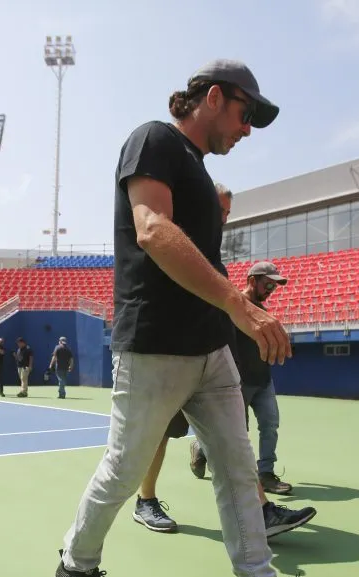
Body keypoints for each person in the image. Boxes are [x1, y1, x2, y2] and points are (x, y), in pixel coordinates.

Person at [53, 59, 351, 577]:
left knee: (239, 471)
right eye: (245, 116)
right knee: (123, 468)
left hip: (209, 349)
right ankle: (76, 566)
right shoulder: (153, 140)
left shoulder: (203, 177)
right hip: (154, 347)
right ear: (212, 98)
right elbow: (152, 230)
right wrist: (242, 307)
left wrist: (237, 307)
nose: (247, 131)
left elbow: (203, 263)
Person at [132, 183, 314, 536]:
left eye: (228, 213)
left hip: (207, 361)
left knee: (234, 435)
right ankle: (144, 500)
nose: (224, 219)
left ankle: (258, 512)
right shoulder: (173, 241)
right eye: (221, 211)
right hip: (169, 355)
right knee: (151, 440)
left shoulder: (212, 255)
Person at [189, 260, 294, 495]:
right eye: (268, 284)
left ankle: (265, 473)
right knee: (236, 432)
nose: (271, 290)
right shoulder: (233, 307)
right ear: (251, 281)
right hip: (238, 382)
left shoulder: (262, 312)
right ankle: (202, 448)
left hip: (264, 381)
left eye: (274, 286)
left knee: (270, 425)